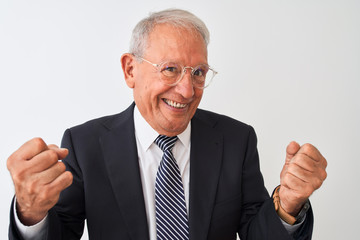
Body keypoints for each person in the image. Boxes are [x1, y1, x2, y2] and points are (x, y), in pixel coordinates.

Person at [7, 8, 327, 240]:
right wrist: (31, 213)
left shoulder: (236, 141)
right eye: (171, 69)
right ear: (130, 70)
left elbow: (259, 234)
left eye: (199, 72)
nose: (187, 91)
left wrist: (287, 204)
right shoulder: (85, 144)